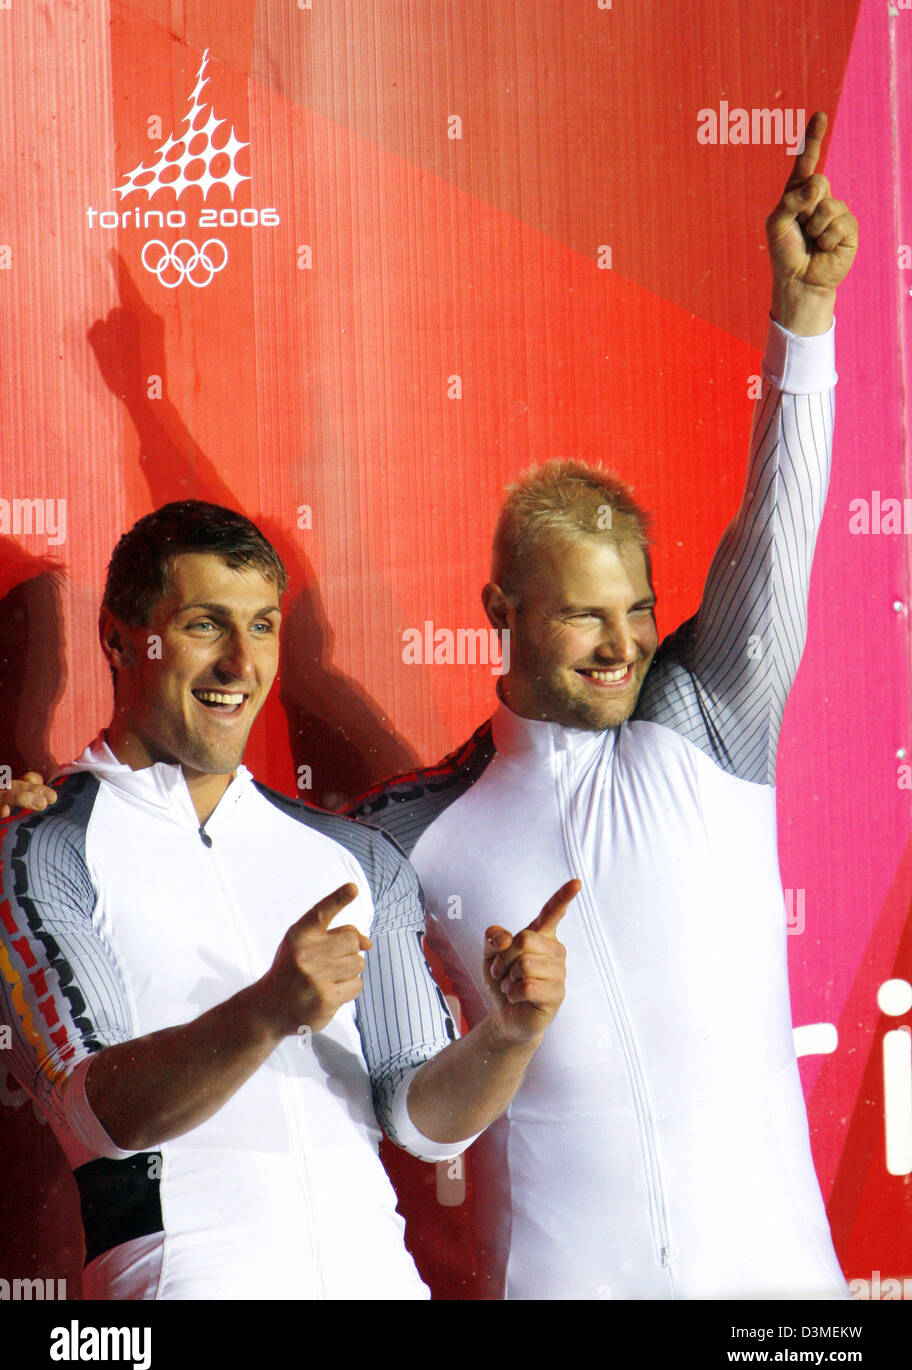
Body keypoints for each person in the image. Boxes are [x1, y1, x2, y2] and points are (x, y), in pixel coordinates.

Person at [346, 112, 859, 1298]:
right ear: (502, 608)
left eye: (638, 608)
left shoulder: (705, 723)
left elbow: (777, 538)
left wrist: (806, 324)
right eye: (584, 614)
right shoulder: (407, 832)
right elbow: (414, 1121)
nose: (624, 643)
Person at [0, 501, 575, 1300]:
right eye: (207, 625)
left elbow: (419, 1118)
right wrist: (269, 1009)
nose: (242, 663)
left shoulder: (353, 853)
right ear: (120, 639)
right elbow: (96, 1113)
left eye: (263, 626)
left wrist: (510, 1036)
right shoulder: (37, 842)